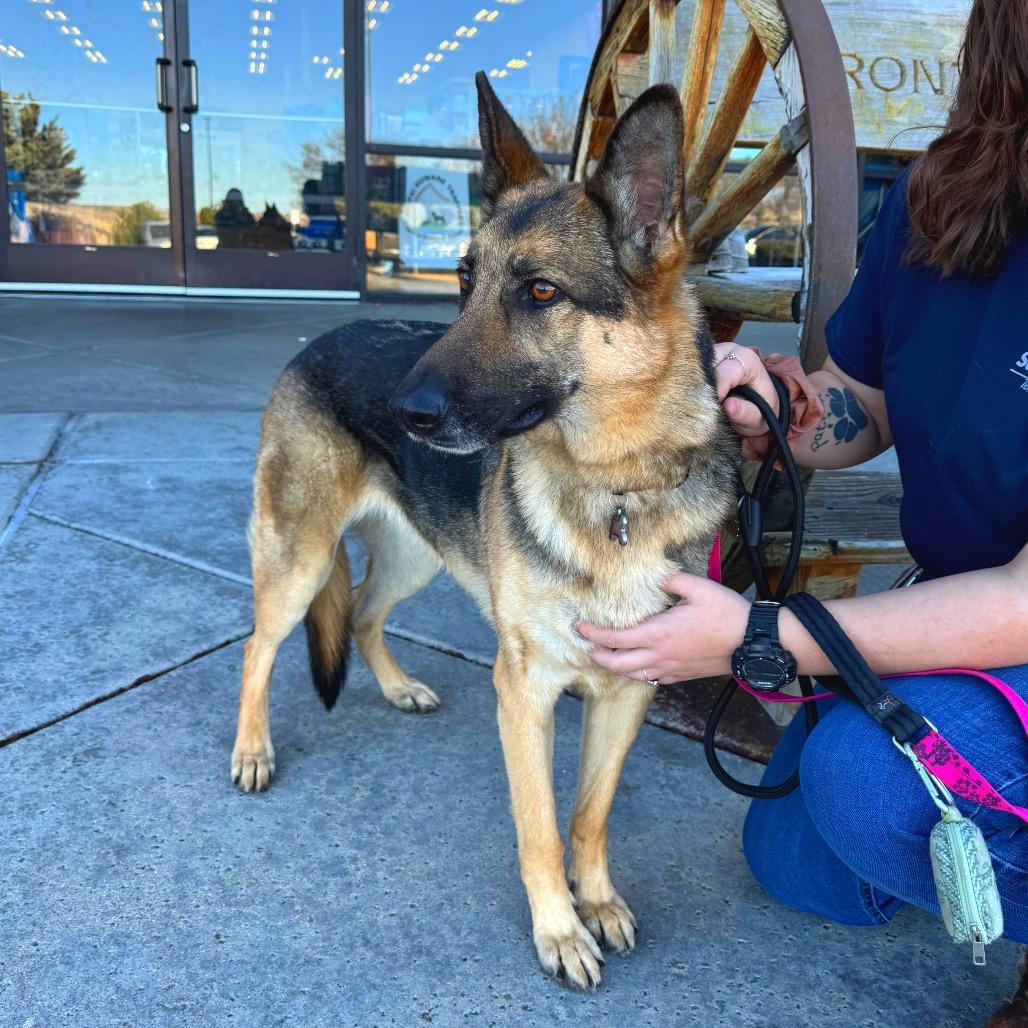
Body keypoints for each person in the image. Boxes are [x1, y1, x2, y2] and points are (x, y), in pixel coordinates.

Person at [576, 0, 1028, 1018]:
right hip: (960, 606)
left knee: (867, 788)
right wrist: (770, 402)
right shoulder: (943, 195)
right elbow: (858, 404)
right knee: (795, 856)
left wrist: (757, 634)